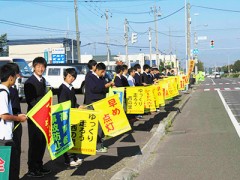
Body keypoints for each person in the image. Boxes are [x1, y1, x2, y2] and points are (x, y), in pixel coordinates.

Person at [24, 57, 51, 178]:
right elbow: (31, 101)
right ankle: (32, 168)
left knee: (42, 141)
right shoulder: (29, 82)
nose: (41, 69)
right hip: (34, 116)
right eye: (38, 66)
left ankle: (39, 165)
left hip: (43, 115)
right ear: (34, 67)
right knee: (34, 143)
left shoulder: (43, 80)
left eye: (42, 66)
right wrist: (43, 104)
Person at [0, 63, 28, 180]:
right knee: (7, 169)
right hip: (4, 138)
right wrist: (18, 118)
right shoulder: (3, 93)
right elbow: (4, 115)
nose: (15, 80)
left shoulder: (4, 91)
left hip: (5, 136)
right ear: (11, 77)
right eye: (15, 78)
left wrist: (17, 115)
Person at [85, 63, 114, 152]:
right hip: (93, 103)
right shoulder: (90, 77)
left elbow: (104, 88)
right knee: (95, 125)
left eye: (104, 72)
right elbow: (94, 89)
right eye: (102, 72)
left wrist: (108, 85)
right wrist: (105, 86)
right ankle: (96, 145)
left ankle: (100, 143)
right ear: (96, 70)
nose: (103, 74)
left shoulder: (101, 78)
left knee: (101, 124)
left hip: (101, 102)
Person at [58, 68, 83, 167]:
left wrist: (77, 106)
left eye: (73, 77)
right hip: (65, 115)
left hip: (72, 114)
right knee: (66, 138)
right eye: (69, 76)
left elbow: (73, 101)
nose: (71, 78)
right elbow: (62, 103)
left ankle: (74, 156)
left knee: (72, 136)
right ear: (65, 76)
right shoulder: (62, 88)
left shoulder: (71, 88)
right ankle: (68, 159)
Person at [7, 62, 23, 180]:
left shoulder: (10, 89)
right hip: (13, 125)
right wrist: (18, 117)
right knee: (14, 153)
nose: (19, 76)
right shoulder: (7, 91)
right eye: (17, 74)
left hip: (13, 124)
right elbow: (5, 114)